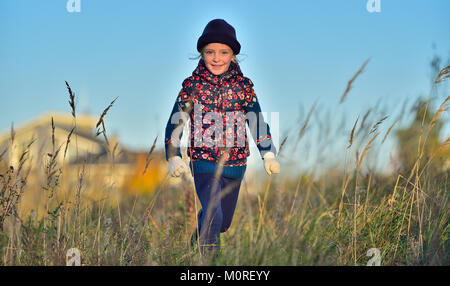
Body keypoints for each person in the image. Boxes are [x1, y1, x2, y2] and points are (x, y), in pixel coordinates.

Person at [164, 19, 280, 257]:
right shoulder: (192, 86)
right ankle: (209, 265)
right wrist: (174, 156)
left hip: (235, 166)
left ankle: (198, 239)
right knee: (214, 214)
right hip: (204, 163)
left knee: (221, 222)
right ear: (202, 54)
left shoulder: (244, 88)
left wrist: (268, 153)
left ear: (233, 55)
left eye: (223, 52)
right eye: (210, 52)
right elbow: (176, 122)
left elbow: (256, 121)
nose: (216, 58)